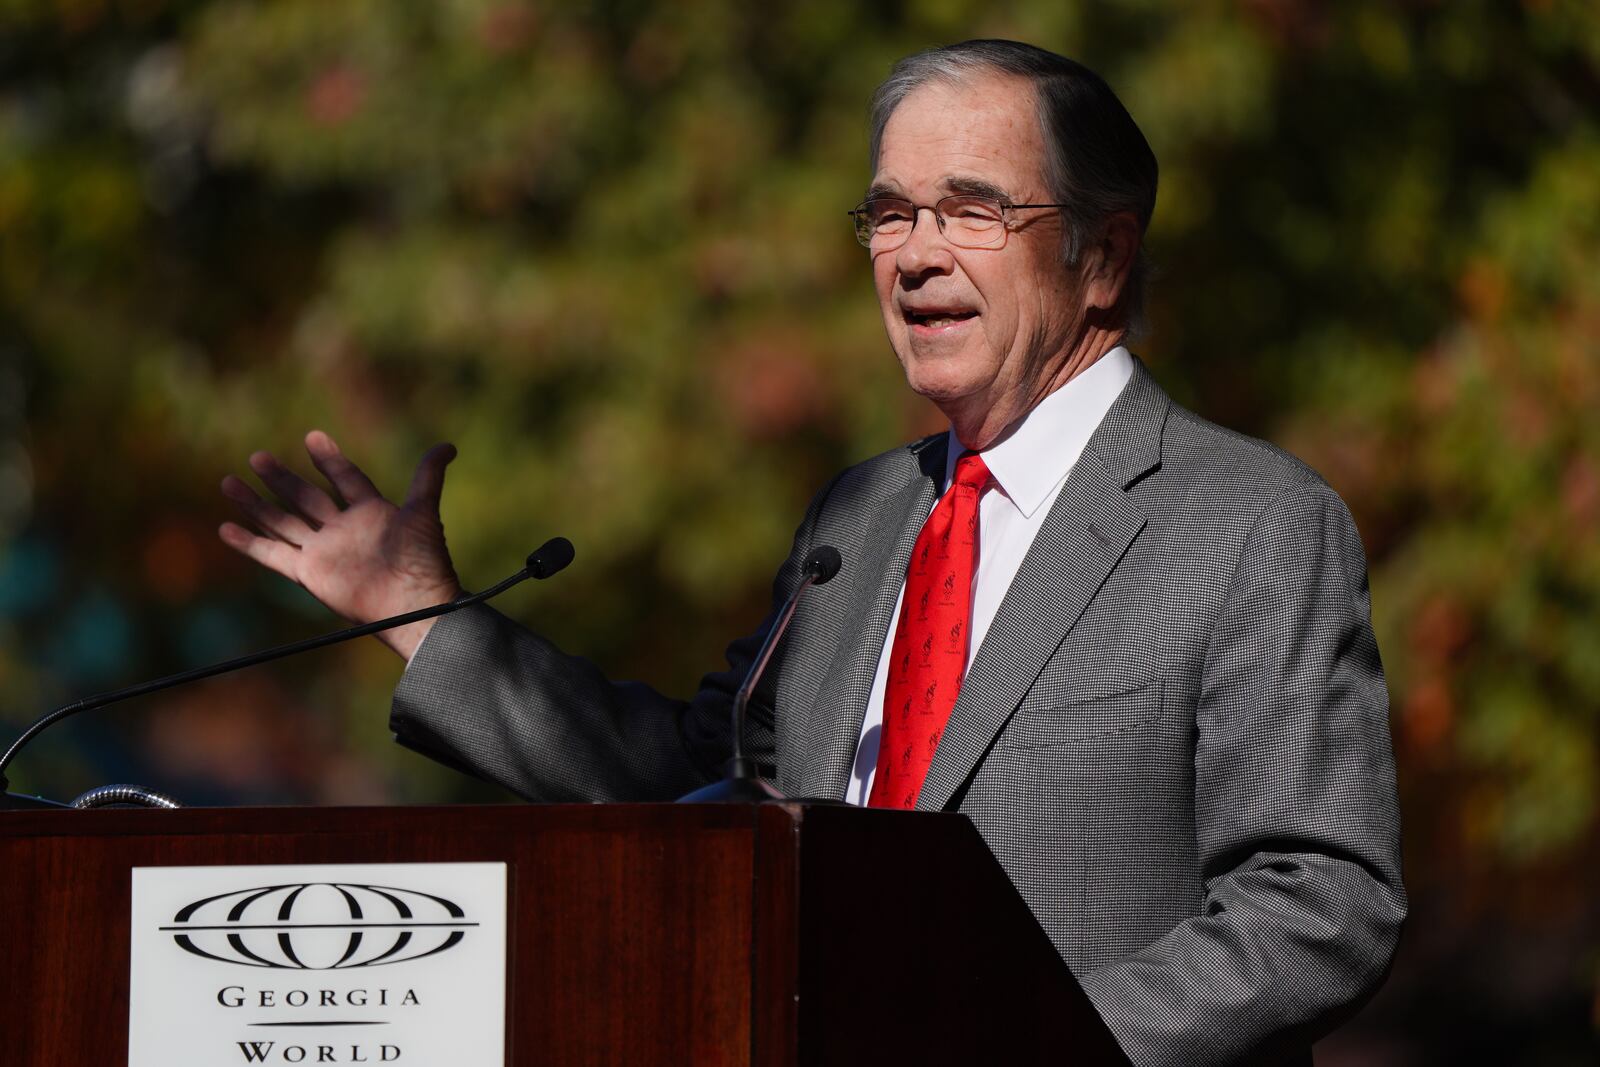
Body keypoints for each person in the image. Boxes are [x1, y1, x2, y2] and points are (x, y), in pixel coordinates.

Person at [221, 40, 1404, 1066]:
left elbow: (1319, 903)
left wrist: (1026, 1043)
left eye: (972, 208)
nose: (914, 254)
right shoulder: (861, 518)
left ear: (1100, 258)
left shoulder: (1248, 519)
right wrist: (421, 614)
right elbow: (696, 788)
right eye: (889, 212)